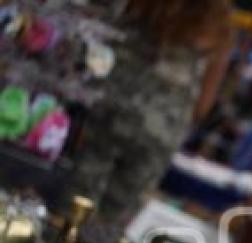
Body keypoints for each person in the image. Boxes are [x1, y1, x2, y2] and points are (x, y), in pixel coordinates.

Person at [71, 0, 234, 222]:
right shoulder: (219, 24)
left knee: (78, 195)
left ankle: (59, 240)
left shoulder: (146, 6)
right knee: (114, 217)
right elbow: (205, 102)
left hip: (113, 108)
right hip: (163, 129)